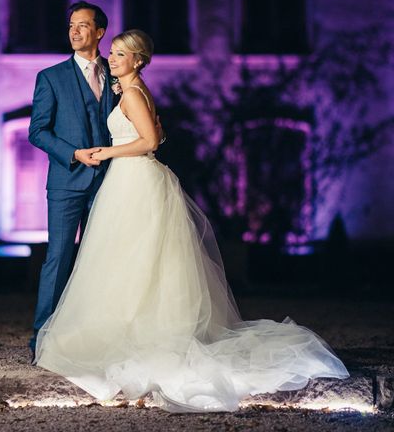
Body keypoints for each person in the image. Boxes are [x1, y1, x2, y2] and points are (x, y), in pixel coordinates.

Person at [34, 29, 349, 412]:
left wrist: (107, 151)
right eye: (112, 53)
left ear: (137, 60)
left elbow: (149, 142)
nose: (112, 58)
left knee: (129, 256)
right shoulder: (137, 91)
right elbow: (159, 135)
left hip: (133, 178)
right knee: (135, 258)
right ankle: (134, 324)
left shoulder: (132, 93)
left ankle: (132, 331)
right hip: (133, 178)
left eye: (120, 54)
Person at [27, 2, 117, 358]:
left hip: (110, 183)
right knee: (59, 258)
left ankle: (94, 337)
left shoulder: (116, 73)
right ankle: (42, 339)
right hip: (66, 181)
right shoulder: (50, 77)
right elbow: (37, 131)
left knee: (102, 260)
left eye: (83, 25)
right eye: (71, 25)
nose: (75, 31)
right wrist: (74, 153)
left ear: (99, 32)